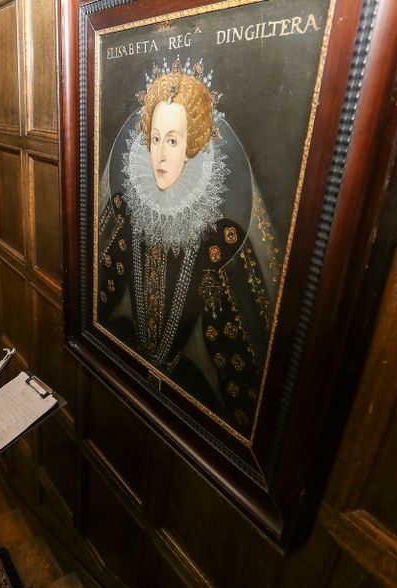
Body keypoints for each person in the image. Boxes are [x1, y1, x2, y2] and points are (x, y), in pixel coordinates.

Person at [97, 56, 280, 435]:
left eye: (174, 140)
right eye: (155, 139)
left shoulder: (220, 238)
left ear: (193, 145)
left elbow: (236, 361)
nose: (160, 155)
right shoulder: (129, 214)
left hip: (184, 400)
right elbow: (101, 297)